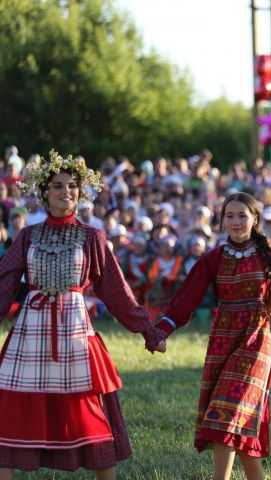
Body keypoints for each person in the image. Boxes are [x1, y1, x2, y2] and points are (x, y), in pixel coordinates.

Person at [153, 192, 271, 480]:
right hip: (222, 340)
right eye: (230, 216)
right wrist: (162, 330)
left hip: (256, 340)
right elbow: (185, 298)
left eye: (242, 215)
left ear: (255, 220)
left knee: (226, 411)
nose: (236, 221)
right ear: (221, 221)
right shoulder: (213, 259)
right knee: (238, 417)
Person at [0, 150, 165, 479]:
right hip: (31, 333)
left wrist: (148, 330)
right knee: (11, 411)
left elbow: (117, 292)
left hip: (74, 330)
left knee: (89, 410)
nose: (66, 192)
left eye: (73, 186)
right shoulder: (28, 236)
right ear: (45, 192)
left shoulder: (93, 237)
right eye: (58, 186)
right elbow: (4, 282)